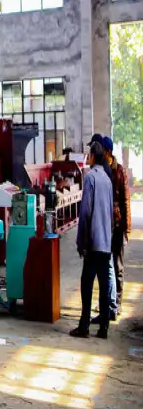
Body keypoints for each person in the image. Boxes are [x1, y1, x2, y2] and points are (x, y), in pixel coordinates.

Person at [71, 141, 114, 339]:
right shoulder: (107, 179)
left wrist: (82, 243)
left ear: (93, 157)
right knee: (104, 285)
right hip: (105, 242)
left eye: (88, 155)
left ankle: (84, 326)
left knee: (86, 283)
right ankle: (104, 327)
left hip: (93, 242)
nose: (87, 158)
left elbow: (86, 212)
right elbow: (110, 213)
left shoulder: (90, 178)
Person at [92, 136, 131, 325]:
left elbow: (126, 200)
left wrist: (126, 228)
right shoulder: (104, 170)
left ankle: (117, 304)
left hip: (117, 225)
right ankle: (108, 303)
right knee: (107, 265)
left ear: (107, 152)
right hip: (106, 225)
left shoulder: (118, 171)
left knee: (117, 266)